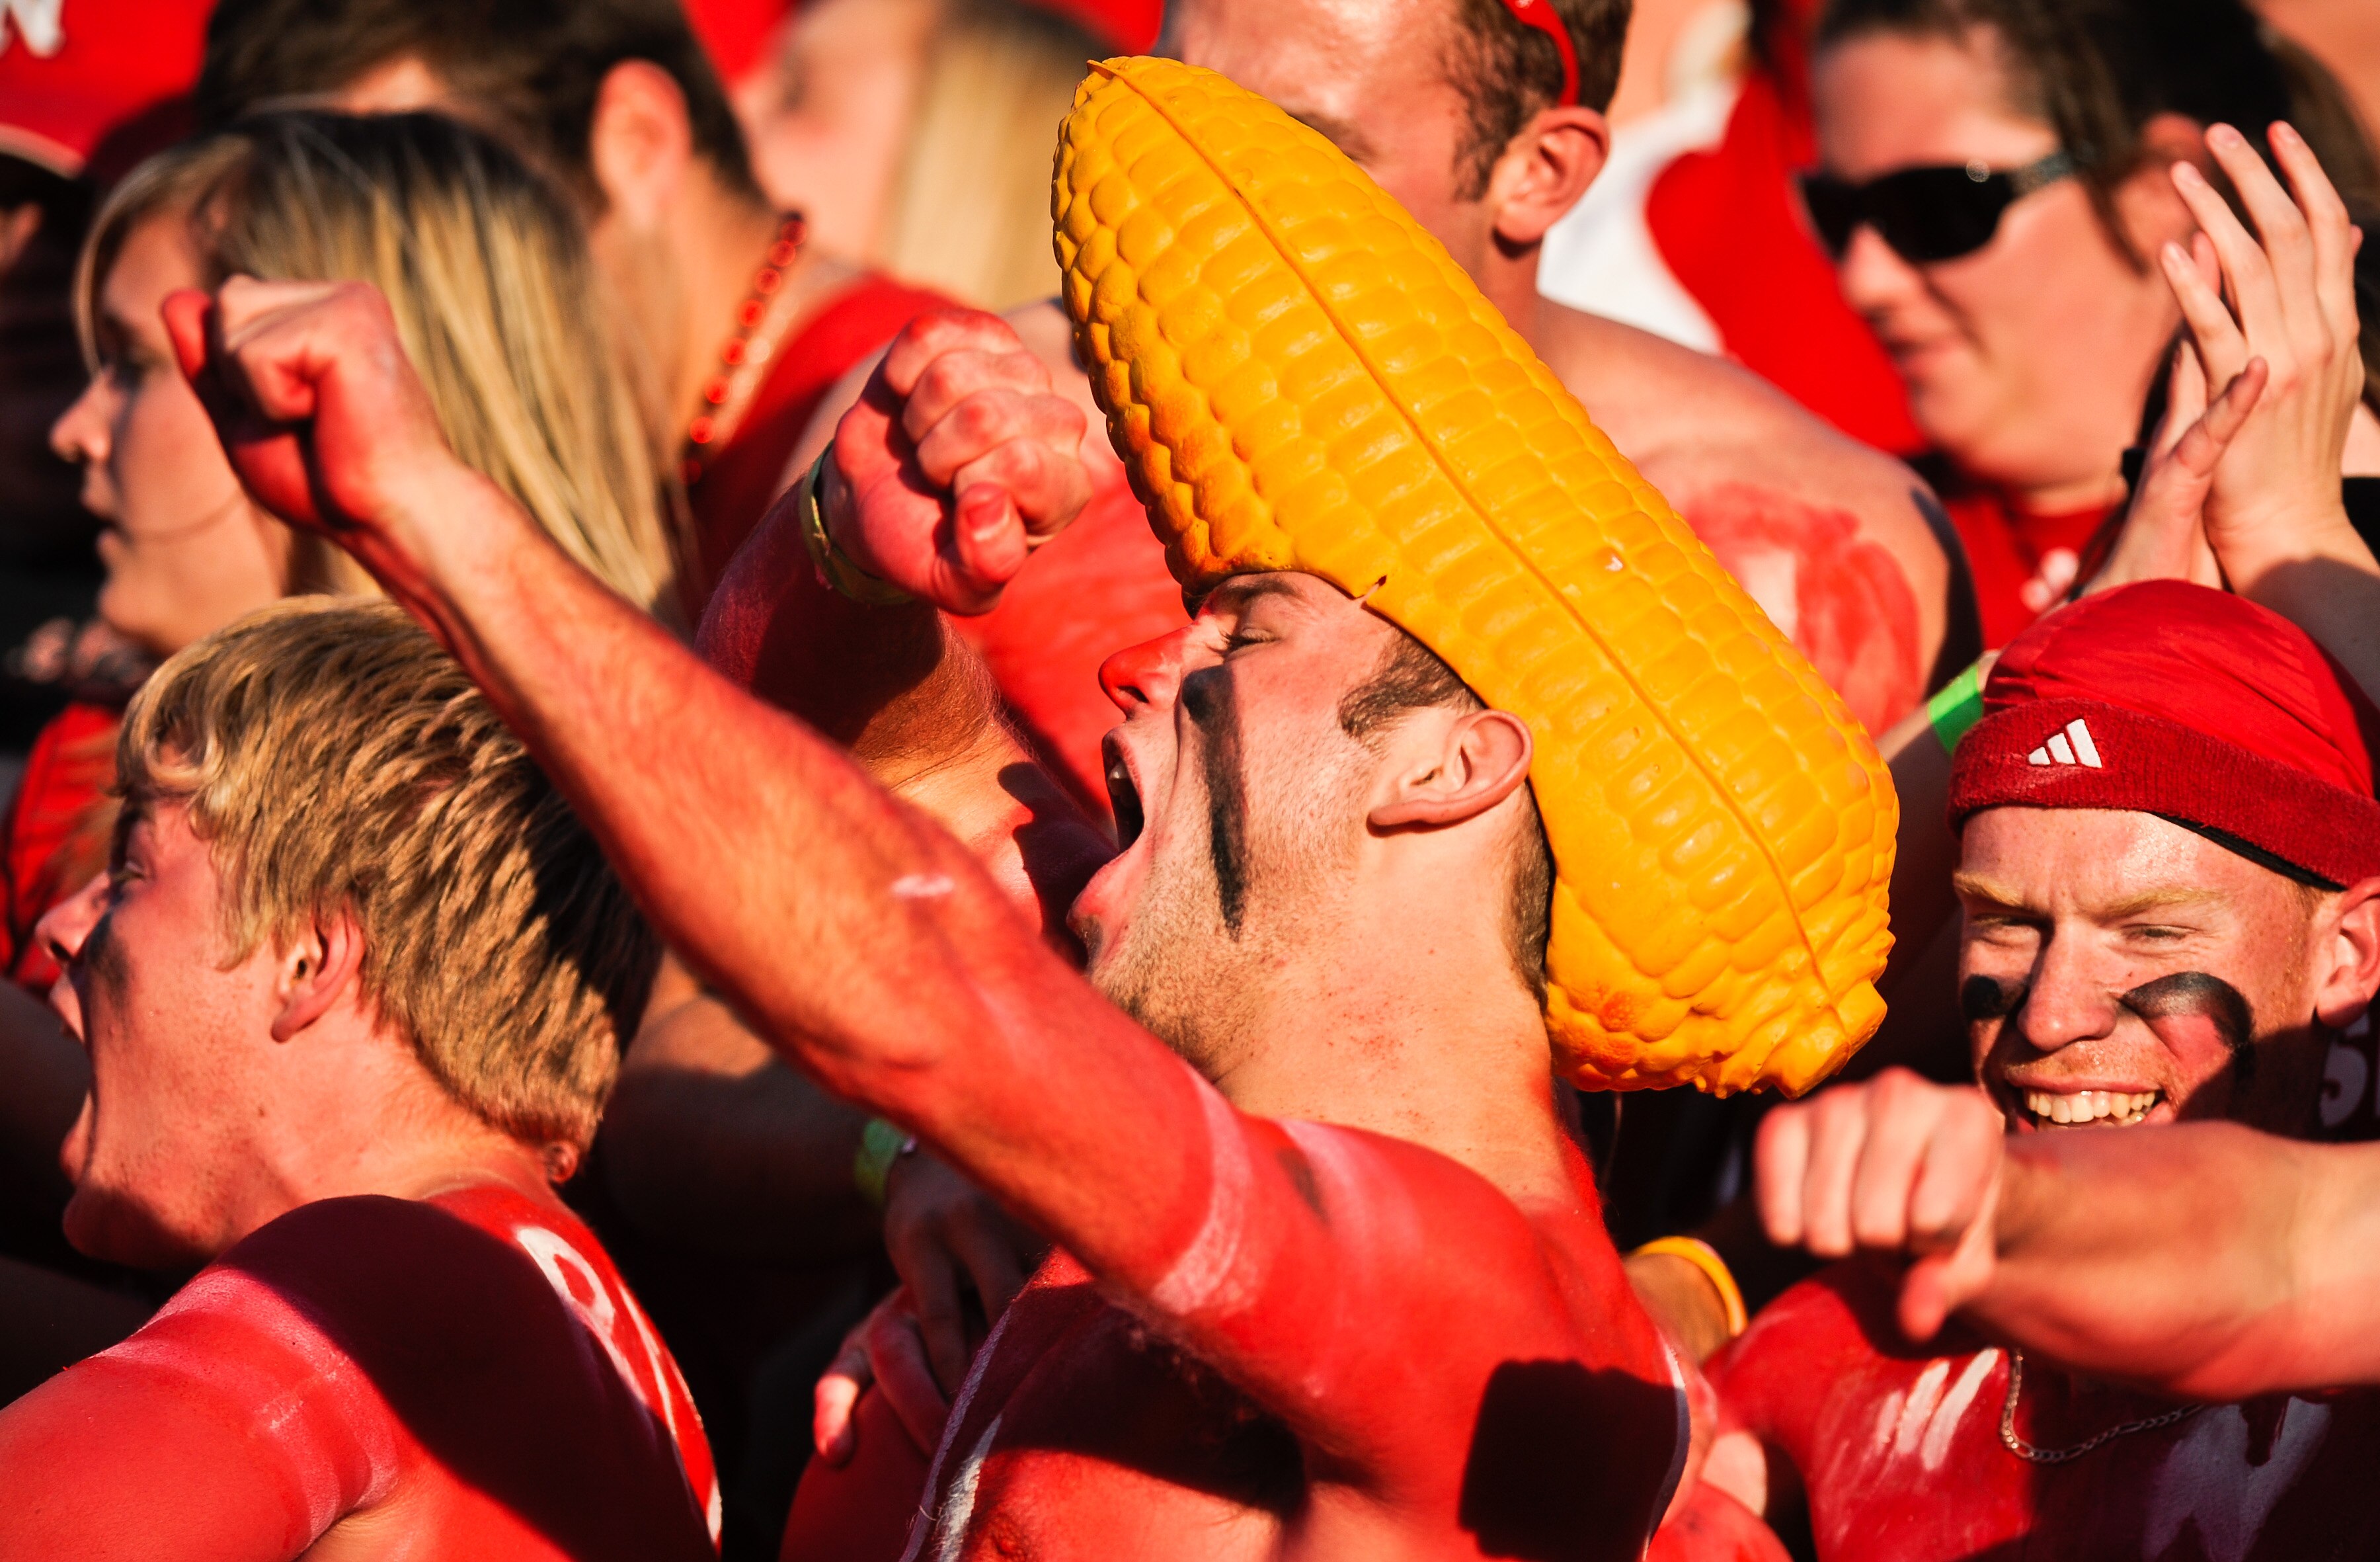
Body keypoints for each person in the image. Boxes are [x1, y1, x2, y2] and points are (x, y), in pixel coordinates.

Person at [141, 161, 1889, 1545]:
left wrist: (425, 508)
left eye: (1246, 639)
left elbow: (910, 979)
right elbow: (837, 769)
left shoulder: (1491, 1297)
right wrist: (847, 537)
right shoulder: (1126, 1104)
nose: (1143, 661)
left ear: (1445, 766)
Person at [0, 598, 719, 1557]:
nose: (61, 932)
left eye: (130, 872)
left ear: (308, 955)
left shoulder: (387, 1272)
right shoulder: (576, 1324)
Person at [1690, 579, 2380, 1560]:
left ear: (2348, 953)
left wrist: (2286, 530)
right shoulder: (1828, 1361)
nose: (2051, 1016)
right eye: (2008, 926)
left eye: (2150, 931)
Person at [195, 0, 955, 608]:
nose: (365, 307)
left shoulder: (905, 423)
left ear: (636, 140)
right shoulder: (698, 448)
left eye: (420, 204)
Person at [1802, 0, 2380, 648]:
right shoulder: (1837, 541)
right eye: (1833, 211)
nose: (1863, 279)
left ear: (2161, 190)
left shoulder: (2335, 529)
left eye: (1934, 208)